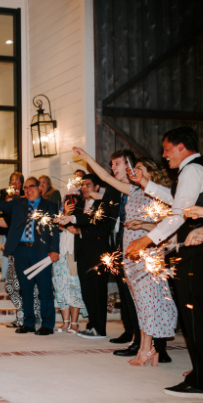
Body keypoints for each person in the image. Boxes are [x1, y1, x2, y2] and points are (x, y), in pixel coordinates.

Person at [74, 147, 177, 363]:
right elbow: (104, 177)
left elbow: (166, 226)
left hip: (148, 252)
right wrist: (86, 158)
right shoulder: (134, 191)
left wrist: (143, 224)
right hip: (131, 253)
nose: (134, 172)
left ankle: (152, 349)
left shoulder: (158, 193)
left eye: (139, 169)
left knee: (151, 302)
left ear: (150, 173)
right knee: (139, 302)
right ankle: (146, 348)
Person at [126, 127, 203, 398]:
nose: (163, 154)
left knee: (193, 315)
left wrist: (146, 240)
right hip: (192, 250)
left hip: (195, 252)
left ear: (181, 146)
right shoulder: (192, 171)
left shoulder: (192, 170)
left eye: (166, 148)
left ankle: (200, 379)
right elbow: (175, 201)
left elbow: (178, 215)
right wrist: (145, 184)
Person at [0, 177, 60, 335]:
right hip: (21, 250)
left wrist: (54, 250)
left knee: (44, 288)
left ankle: (47, 325)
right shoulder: (19, 203)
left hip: (41, 252)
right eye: (26, 188)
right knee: (25, 289)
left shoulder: (49, 205)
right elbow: (0, 205)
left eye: (31, 187)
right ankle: (28, 323)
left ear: (39, 188)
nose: (28, 190)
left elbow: (54, 229)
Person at [56, 174, 115, 339]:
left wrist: (81, 231)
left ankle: (100, 328)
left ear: (97, 187)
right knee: (87, 292)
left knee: (98, 292)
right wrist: (66, 217)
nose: (84, 188)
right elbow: (69, 224)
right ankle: (91, 325)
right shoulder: (80, 204)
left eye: (88, 185)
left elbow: (104, 228)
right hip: (81, 253)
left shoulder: (103, 205)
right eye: (82, 185)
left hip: (99, 253)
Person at [51, 194, 87, 334]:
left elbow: (76, 232)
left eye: (73, 203)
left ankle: (75, 323)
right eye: (68, 203)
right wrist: (65, 214)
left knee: (74, 288)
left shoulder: (81, 219)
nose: (70, 205)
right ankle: (65, 322)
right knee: (61, 288)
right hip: (60, 257)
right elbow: (58, 227)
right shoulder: (60, 217)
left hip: (73, 257)